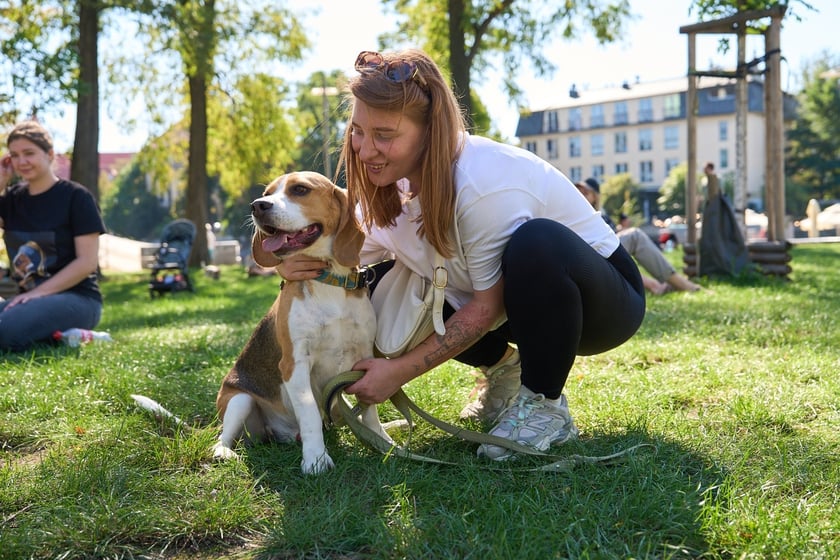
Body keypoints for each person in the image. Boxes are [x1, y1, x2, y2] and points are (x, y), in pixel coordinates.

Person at [276, 49, 646, 461]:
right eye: (358, 131)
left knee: (535, 242)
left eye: (384, 135)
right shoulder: (394, 187)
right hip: (516, 309)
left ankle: (545, 404)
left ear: (429, 131)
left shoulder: (481, 183)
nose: (364, 150)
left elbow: (486, 308)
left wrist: (398, 372)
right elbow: (343, 252)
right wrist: (291, 262)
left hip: (600, 303)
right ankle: (505, 369)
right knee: (370, 285)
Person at [0, 121, 106, 351]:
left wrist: (38, 293)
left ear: (49, 154)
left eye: (29, 153)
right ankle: (62, 336)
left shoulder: (76, 198)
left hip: (78, 298)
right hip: (27, 302)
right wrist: (1, 181)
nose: (21, 161)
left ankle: (72, 333)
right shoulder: (10, 200)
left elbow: (87, 262)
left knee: (5, 330)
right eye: (14, 155)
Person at [576, 178, 701, 295]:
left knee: (619, 253)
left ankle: (660, 284)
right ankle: (672, 283)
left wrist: (621, 229)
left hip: (596, 255)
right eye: (577, 191)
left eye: (585, 192)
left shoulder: (598, 215)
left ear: (595, 196)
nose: (580, 195)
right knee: (634, 237)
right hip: (588, 256)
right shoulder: (579, 216)